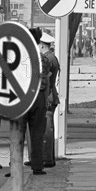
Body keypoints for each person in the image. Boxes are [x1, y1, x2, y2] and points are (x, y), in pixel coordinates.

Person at [18, 27, 51, 176]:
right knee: (37, 134)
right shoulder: (43, 58)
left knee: (17, 134)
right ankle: (37, 166)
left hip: (21, 98)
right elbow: (47, 81)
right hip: (38, 97)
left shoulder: (18, 57)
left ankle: (15, 166)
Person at [41, 32, 60, 168]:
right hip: (51, 94)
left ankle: (47, 159)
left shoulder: (48, 58)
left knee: (47, 129)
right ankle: (48, 158)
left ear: (42, 45)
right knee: (47, 128)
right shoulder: (52, 57)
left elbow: (46, 79)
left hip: (48, 96)